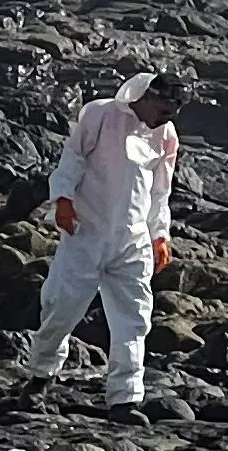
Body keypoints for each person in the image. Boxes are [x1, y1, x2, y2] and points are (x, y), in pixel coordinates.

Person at [19, 68, 183, 411]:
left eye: (174, 113)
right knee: (61, 307)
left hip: (132, 239)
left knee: (135, 317)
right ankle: (40, 376)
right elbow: (73, 158)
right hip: (86, 233)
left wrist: (159, 235)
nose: (167, 118)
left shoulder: (165, 136)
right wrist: (62, 199)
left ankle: (125, 399)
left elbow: (159, 191)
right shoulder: (100, 115)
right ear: (147, 97)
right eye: (165, 110)